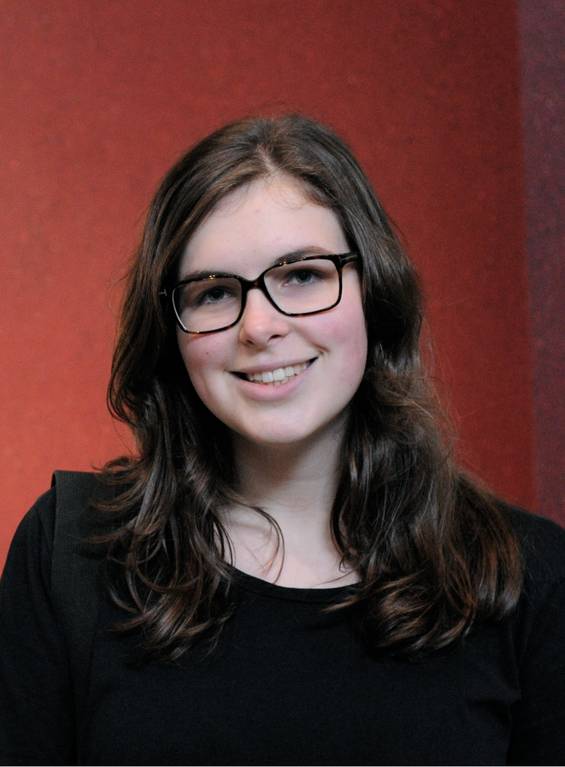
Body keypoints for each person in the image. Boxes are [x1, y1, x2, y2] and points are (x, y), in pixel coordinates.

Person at [1, 114, 564, 766]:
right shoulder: (70, 554)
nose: (259, 326)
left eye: (301, 275)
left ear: (372, 290)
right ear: (171, 331)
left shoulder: (528, 578)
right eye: (214, 291)